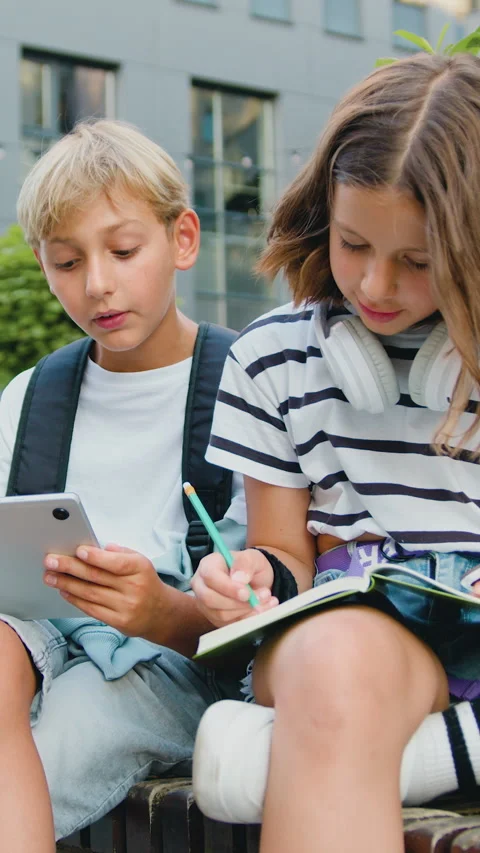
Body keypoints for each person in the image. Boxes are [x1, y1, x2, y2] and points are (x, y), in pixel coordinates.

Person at [190, 52, 480, 853]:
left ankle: (412, 757)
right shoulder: (273, 357)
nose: (375, 284)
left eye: (419, 262)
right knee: (334, 657)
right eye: (353, 243)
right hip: (354, 624)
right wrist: (255, 576)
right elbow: (287, 553)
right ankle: (422, 750)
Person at [0, 119, 246, 853]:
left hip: (168, 662)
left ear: (182, 239)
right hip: (35, 639)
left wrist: (159, 609)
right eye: (67, 262)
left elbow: (255, 631)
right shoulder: (30, 399)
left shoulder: (245, 390)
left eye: (123, 250)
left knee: (49, 761)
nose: (98, 283)